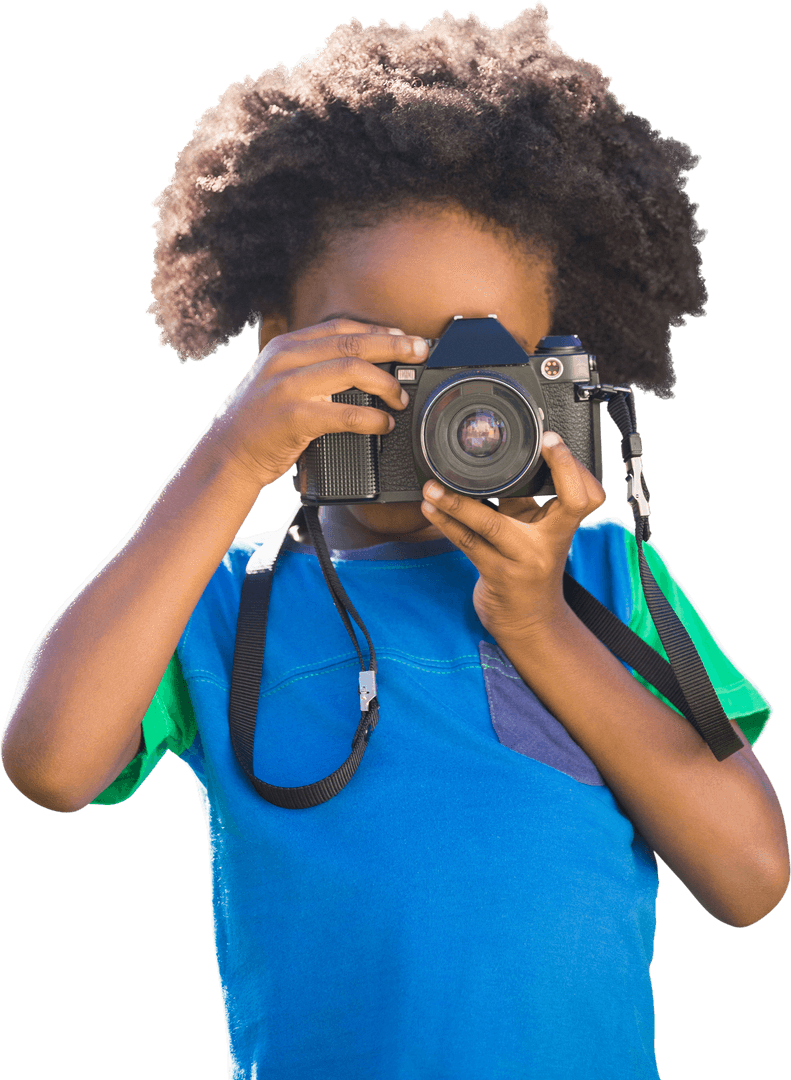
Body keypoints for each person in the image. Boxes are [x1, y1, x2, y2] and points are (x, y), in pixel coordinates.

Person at [2, 6, 787, 1078]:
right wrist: (231, 453)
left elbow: (747, 880)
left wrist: (538, 622)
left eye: (483, 378)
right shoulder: (221, 605)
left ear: (555, 373)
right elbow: (49, 764)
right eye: (389, 363)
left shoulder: (605, 579)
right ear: (282, 350)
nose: (442, 422)